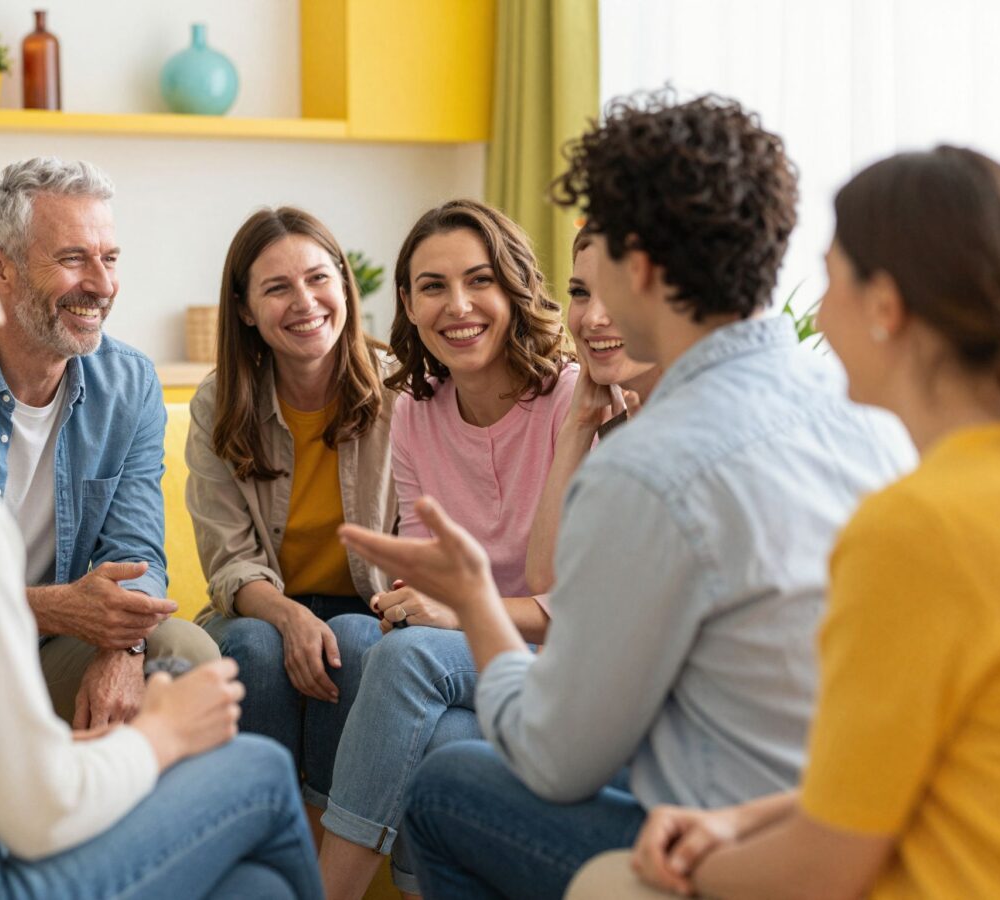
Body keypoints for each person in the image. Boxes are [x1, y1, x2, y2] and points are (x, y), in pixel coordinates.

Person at [337, 91, 916, 899]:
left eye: (598, 253)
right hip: (857, 822)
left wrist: (473, 598)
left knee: (446, 787)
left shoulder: (649, 469)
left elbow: (553, 754)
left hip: (729, 849)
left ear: (637, 266)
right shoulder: (868, 413)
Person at [0, 150, 322, 900]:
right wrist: (163, 733)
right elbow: (39, 812)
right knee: (259, 771)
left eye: (109, 256)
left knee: (256, 889)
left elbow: (134, 552)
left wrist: (112, 676)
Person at [622, 145, 1000, 899]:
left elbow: (820, 873)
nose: (815, 309)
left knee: (607, 875)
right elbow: (938, 760)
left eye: (831, 277)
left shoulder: (917, 529)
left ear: (884, 307)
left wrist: (692, 865)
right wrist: (741, 820)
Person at [318, 199, 577, 899]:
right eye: (433, 286)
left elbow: (579, 609)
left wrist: (455, 610)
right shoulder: (414, 411)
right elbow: (423, 562)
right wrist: (415, 600)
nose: (457, 306)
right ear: (407, 301)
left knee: (405, 661)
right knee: (353, 640)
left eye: (479, 280)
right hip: (458, 655)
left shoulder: (573, 402)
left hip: (553, 655)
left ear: (515, 287)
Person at [0, 156, 219, 730]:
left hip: (57, 650)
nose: (103, 286)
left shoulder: (129, 383)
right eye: (73, 259)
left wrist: (121, 649)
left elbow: (135, 555)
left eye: (109, 259)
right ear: (0, 269)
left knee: (187, 658)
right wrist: (55, 607)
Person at [185, 207, 395, 838]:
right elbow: (228, 560)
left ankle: (320, 856)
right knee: (254, 645)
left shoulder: (403, 392)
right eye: (277, 288)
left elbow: (422, 542)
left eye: (317, 278)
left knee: (355, 642)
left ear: (344, 285)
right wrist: (290, 616)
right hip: (262, 606)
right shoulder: (218, 401)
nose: (304, 302)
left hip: (372, 608)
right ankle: (263, 836)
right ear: (246, 310)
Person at [526, 226, 663, 594]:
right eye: (581, 293)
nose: (593, 319)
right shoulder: (613, 413)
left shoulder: (681, 425)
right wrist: (580, 421)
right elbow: (545, 583)